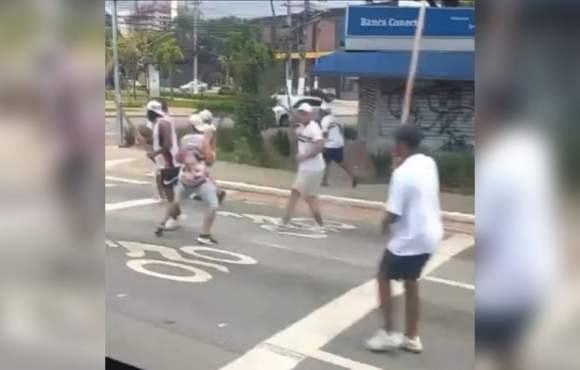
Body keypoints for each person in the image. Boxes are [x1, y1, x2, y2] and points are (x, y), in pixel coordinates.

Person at [366, 125, 443, 354]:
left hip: (410, 238)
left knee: (383, 277)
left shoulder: (401, 174)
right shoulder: (429, 163)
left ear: (401, 145)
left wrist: (382, 224)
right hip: (431, 235)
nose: (392, 146)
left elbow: (394, 213)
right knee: (411, 281)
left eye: (395, 142)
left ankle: (388, 333)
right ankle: (411, 336)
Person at [155, 115, 221, 245]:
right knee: (213, 205)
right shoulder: (203, 139)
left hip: (185, 178)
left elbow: (179, 158)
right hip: (200, 179)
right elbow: (209, 159)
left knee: (176, 201)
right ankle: (204, 234)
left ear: (190, 127)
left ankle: (163, 224)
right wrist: (209, 155)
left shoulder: (184, 140)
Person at [278, 103, 326, 232]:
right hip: (308, 168)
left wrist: (305, 156)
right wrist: (291, 126)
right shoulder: (300, 127)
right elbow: (293, 139)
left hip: (312, 167)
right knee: (310, 197)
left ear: (310, 115)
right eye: (300, 112)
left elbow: (320, 146)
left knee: (296, 193)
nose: (302, 115)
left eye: (304, 113)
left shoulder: (314, 128)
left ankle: (285, 220)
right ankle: (319, 224)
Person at [146, 100, 182, 232]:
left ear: (151, 112)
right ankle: (175, 215)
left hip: (169, 163)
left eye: (147, 112)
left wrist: (154, 154)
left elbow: (167, 144)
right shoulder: (162, 121)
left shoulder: (163, 123)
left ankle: (168, 220)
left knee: (170, 195)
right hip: (166, 163)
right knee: (170, 193)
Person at [320, 107, 358, 188]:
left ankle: (353, 175)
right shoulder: (339, 120)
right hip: (339, 144)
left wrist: (323, 145)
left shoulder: (325, 120)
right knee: (327, 162)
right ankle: (324, 181)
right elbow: (341, 132)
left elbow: (325, 134)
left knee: (338, 163)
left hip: (330, 145)